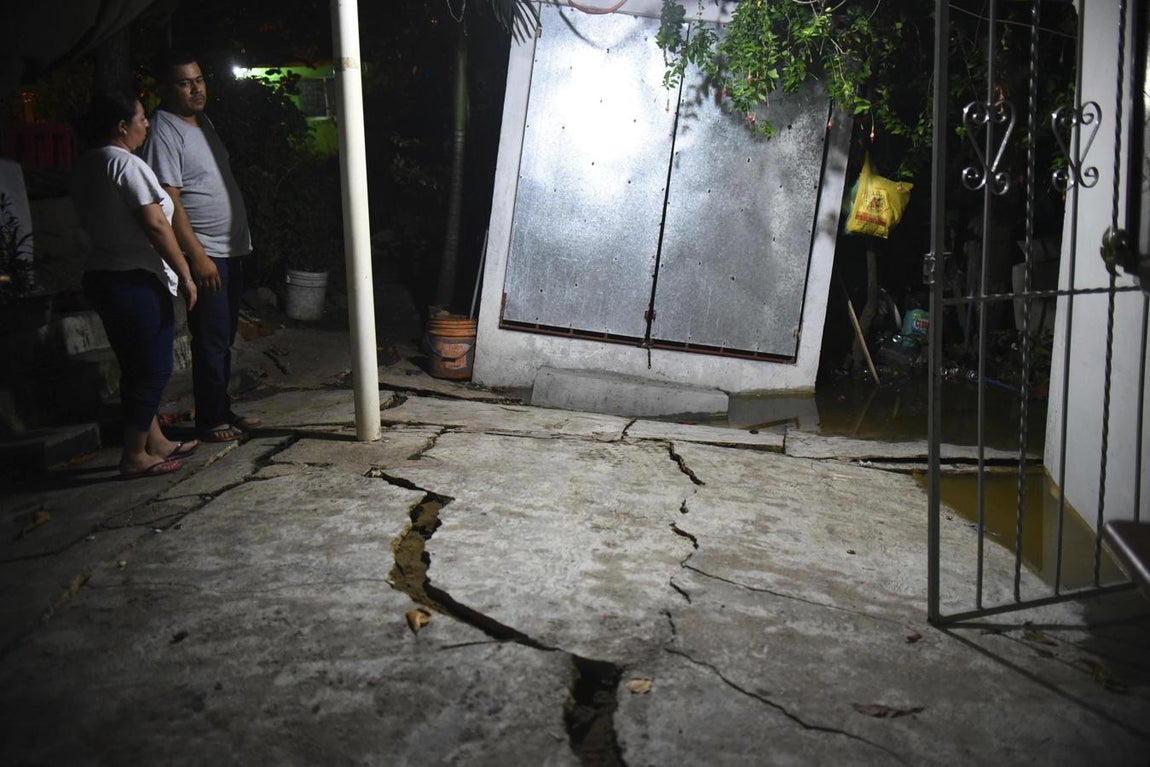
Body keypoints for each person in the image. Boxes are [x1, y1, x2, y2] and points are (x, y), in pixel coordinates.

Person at [70, 89, 199, 478]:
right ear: (122, 126)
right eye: (141, 118)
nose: (147, 124)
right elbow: (156, 224)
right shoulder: (125, 164)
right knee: (154, 366)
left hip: (103, 274)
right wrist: (186, 273)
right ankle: (133, 456)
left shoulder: (87, 164)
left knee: (134, 364)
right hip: (134, 276)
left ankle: (154, 441)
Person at [142, 51, 260, 443]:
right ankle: (210, 419)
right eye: (184, 83)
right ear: (165, 89)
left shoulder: (202, 122)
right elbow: (169, 199)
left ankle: (221, 407)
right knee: (210, 338)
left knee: (223, 337)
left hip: (230, 249)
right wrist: (197, 257)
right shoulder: (164, 128)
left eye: (199, 80)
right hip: (207, 252)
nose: (196, 89)